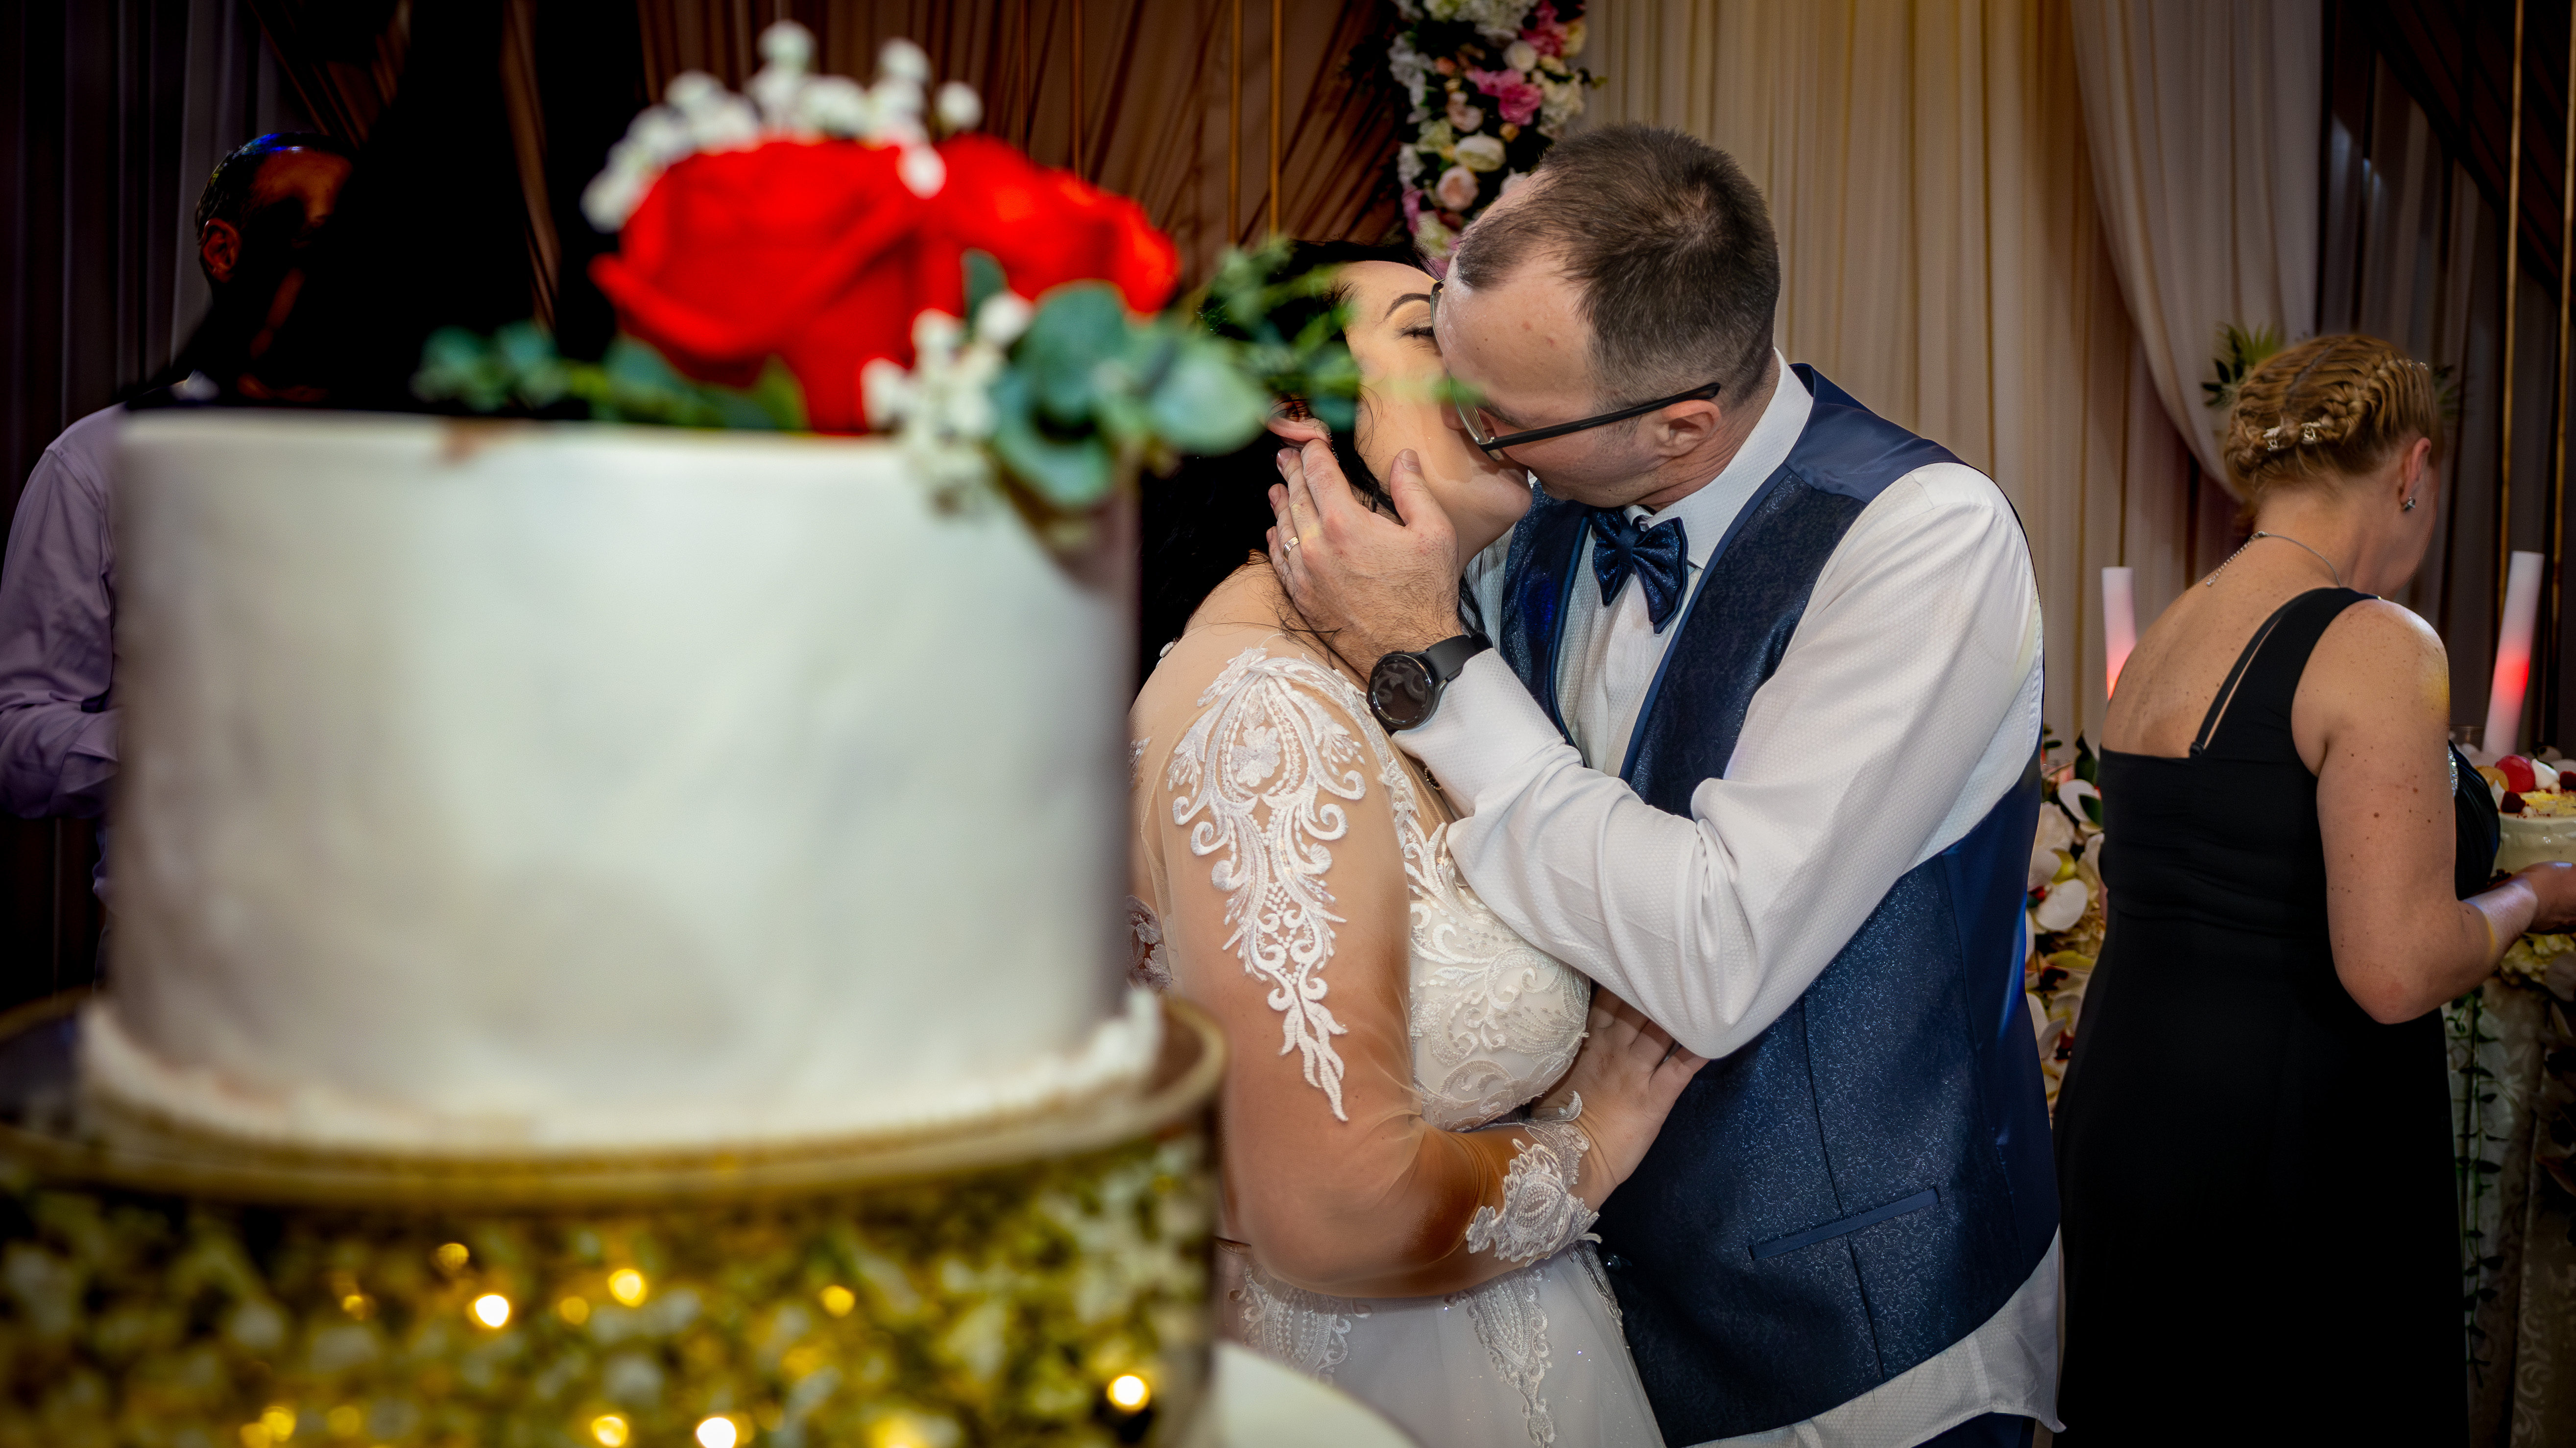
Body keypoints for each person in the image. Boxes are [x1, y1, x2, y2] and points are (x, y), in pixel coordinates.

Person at [1263, 127, 2059, 1447]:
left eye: (1490, 413)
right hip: (1569, 1298)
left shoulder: (1922, 541)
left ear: (1677, 424)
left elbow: (1711, 955)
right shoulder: (1525, 501)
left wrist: (1436, 666)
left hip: (1854, 1337)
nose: (1463, 427)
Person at [1129, 242, 1707, 1447]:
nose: (1478, 363)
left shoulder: (1378, 688)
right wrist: (1591, 1145)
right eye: (1423, 329)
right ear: (1290, 407)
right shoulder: (1269, 719)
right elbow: (1334, 1212)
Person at [2047, 335, 2576, 1442]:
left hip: (2130, 1115)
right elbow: (2393, 970)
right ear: (2412, 468)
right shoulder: (2376, 642)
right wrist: (2536, 896)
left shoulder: (2172, 630)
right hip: (2285, 1144)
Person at [0, 133, 352, 863]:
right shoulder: (96, 464)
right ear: (224, 251)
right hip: (189, 913)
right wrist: (195, 744)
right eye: (323, 241)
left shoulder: (430, 459)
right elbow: (16, 740)